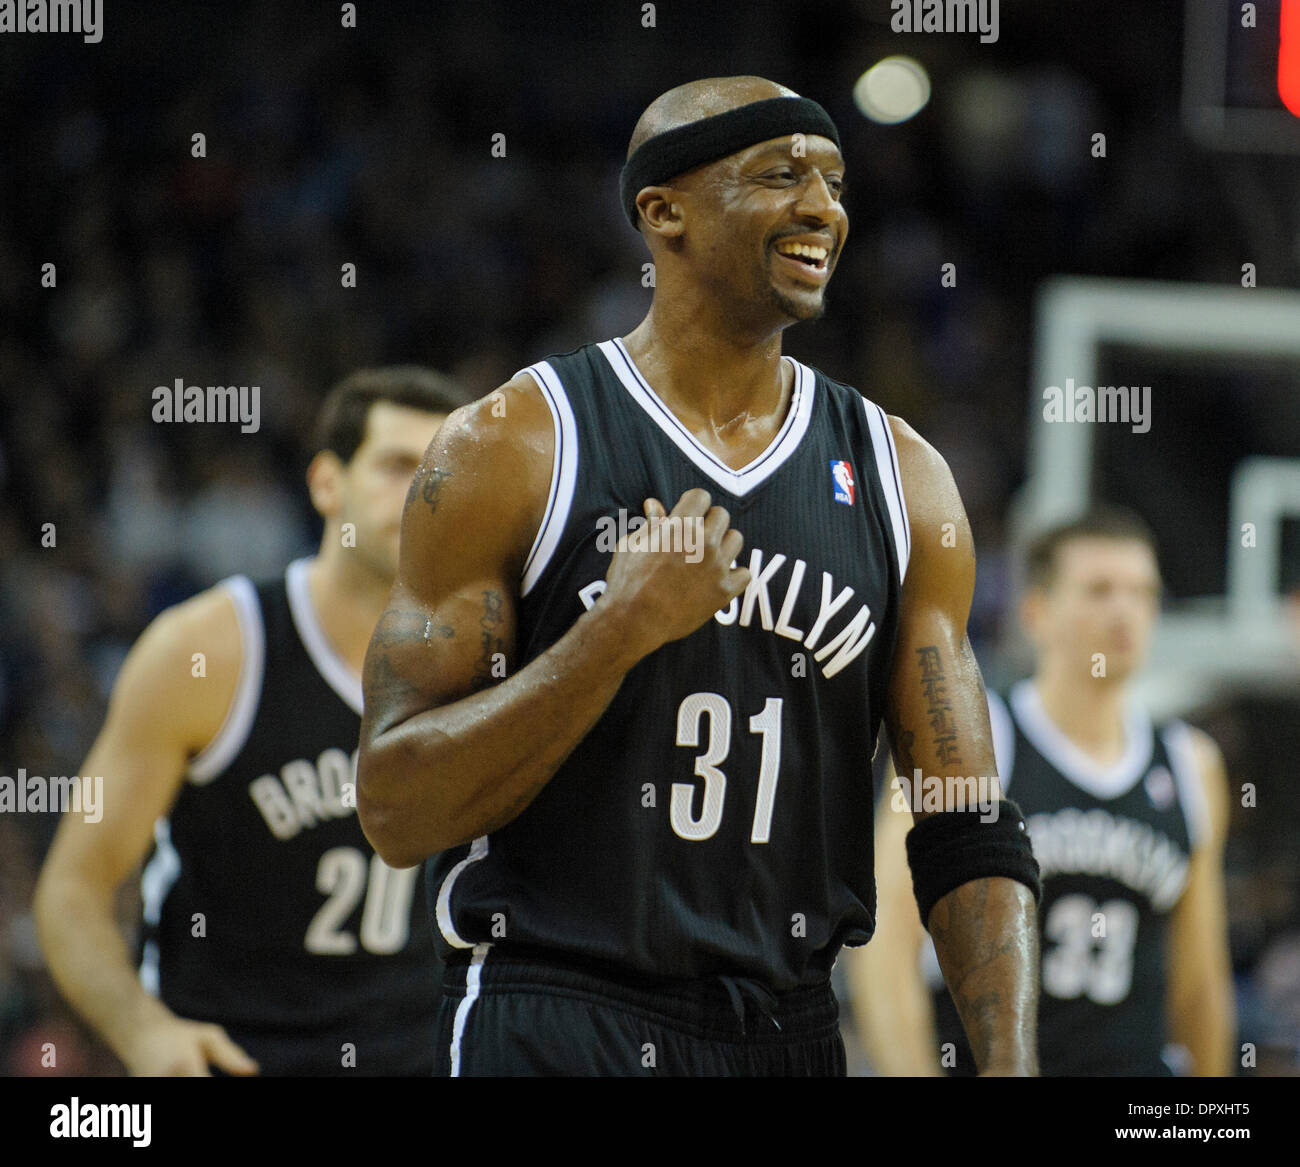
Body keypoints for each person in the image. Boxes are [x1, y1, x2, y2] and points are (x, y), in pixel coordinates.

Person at [357, 76, 1042, 1078]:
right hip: (553, 1011)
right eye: (780, 176)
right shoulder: (511, 447)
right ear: (662, 211)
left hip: (783, 1028)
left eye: (835, 183)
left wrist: (1009, 1065)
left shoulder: (905, 479)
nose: (823, 209)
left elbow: (966, 824)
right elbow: (396, 808)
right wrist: (613, 634)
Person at [34, 367, 465, 1075]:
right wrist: (143, 1031)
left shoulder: (487, 658)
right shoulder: (208, 651)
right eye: (396, 466)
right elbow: (73, 889)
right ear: (328, 483)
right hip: (229, 1054)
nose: (423, 491)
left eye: (444, 471)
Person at [848, 508, 1235, 1076]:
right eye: (1099, 590)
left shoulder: (1191, 764)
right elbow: (886, 950)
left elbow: (1199, 983)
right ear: (1036, 612)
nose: (1124, 610)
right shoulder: (972, 743)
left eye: (1141, 592)